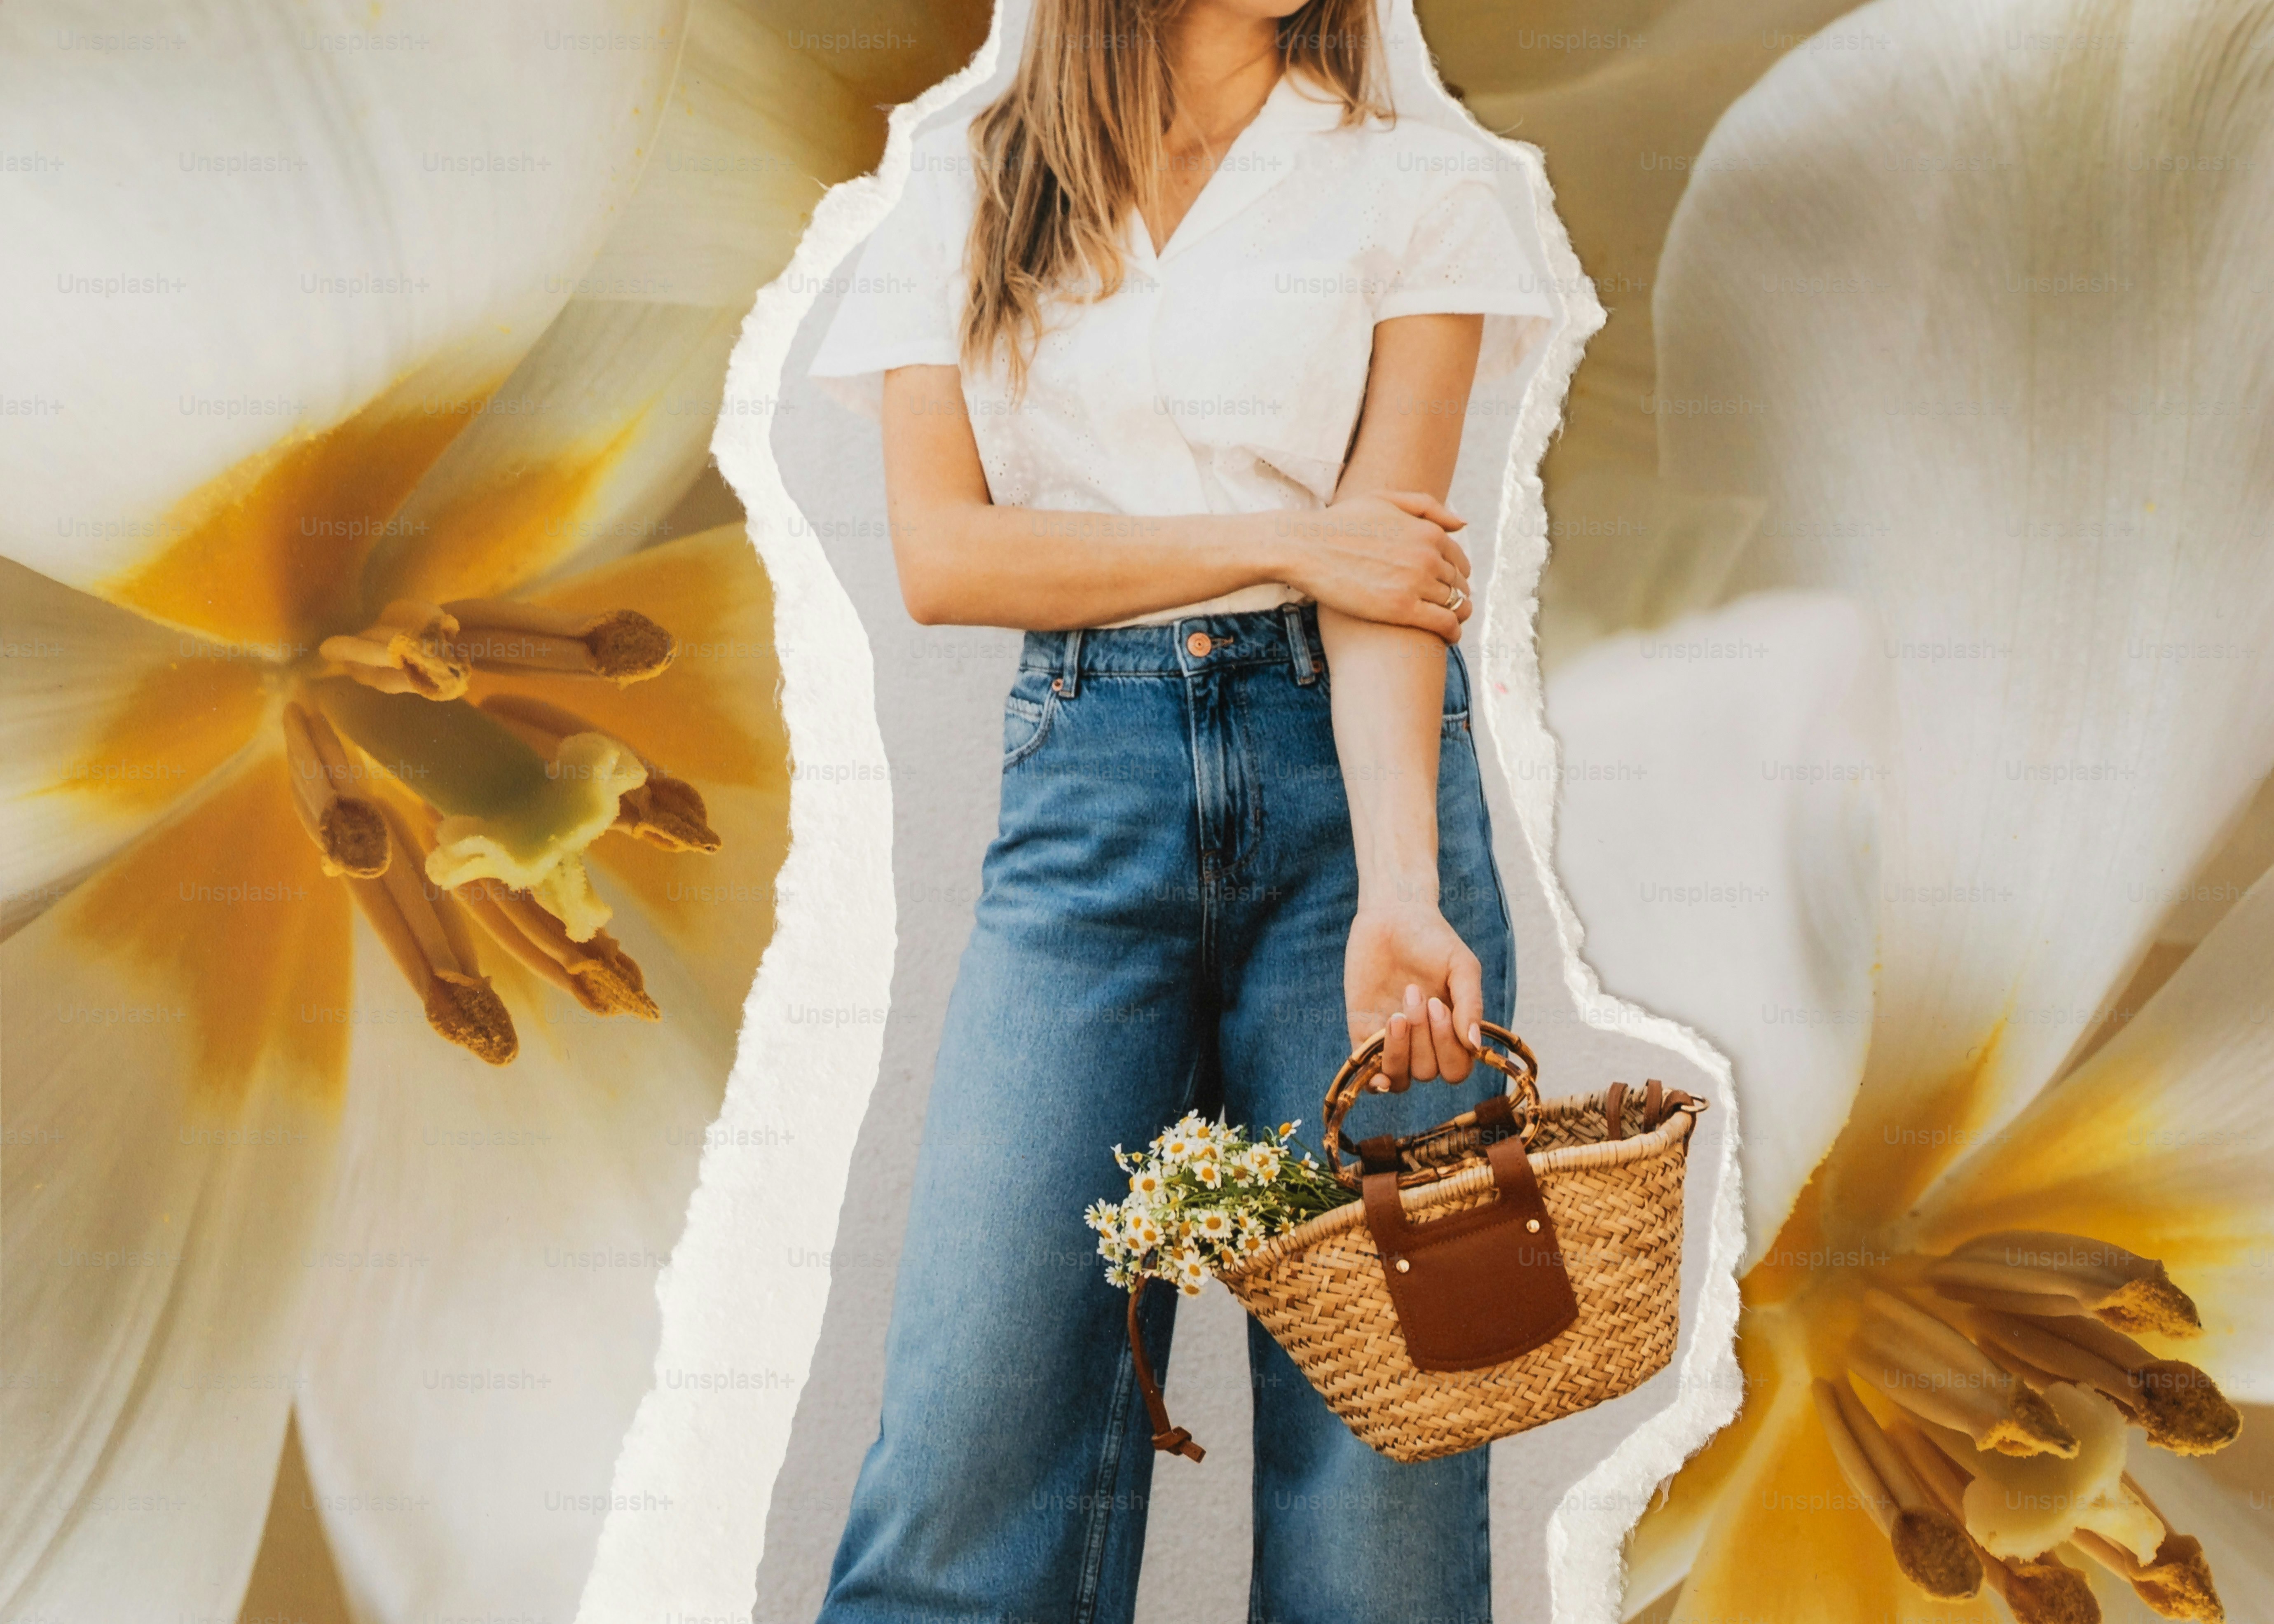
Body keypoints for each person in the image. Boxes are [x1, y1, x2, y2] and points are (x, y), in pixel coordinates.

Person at [806, 0, 1555, 1616]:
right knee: (964, 1458)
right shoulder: (962, 179)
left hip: (1364, 797)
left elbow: (1393, 582)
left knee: (1393, 1474)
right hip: (1087, 793)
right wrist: (1286, 542)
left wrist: (1407, 890)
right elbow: (950, 558)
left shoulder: (1421, 187)